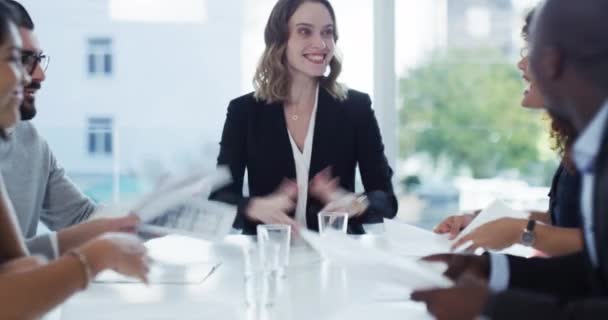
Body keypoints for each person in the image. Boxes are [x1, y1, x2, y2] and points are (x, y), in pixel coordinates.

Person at [412, 0, 608, 318]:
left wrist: (491, 304)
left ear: (553, 62)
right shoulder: (591, 145)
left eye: (529, 51)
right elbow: (596, 269)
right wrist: (490, 267)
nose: (520, 65)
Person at [0, 3, 148, 318]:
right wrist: (93, 257)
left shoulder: (30, 141)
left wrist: (139, 218)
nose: (35, 74)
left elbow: (20, 264)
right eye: (17, 59)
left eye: (34, 60)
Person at [210, 0, 397, 235]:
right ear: (280, 39)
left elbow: (387, 200)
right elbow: (219, 199)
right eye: (304, 31)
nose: (320, 44)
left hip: (338, 258)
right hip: (269, 257)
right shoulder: (244, 112)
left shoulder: (355, 107)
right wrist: (254, 207)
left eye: (327, 32)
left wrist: (357, 204)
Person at [433, 9, 583, 257]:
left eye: (532, 51)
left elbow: (597, 244)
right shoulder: (578, 139)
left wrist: (520, 230)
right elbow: (566, 221)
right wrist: (485, 220)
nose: (521, 63)